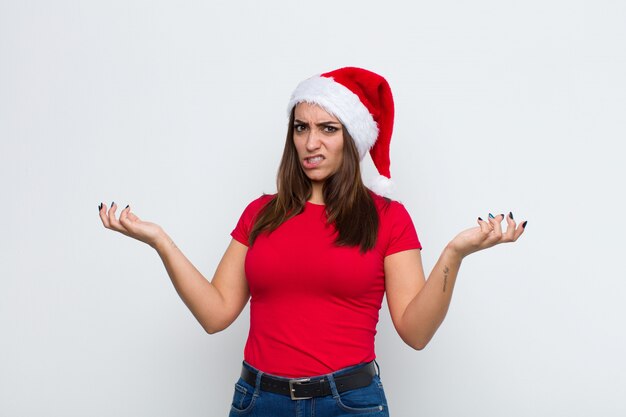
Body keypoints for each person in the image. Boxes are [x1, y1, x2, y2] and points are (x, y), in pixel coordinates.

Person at [98, 67, 527, 416]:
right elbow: (215, 314)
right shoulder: (260, 213)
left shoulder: (387, 219)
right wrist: (160, 242)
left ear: (352, 138)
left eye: (328, 129)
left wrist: (455, 253)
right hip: (259, 401)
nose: (310, 142)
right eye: (301, 128)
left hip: (349, 403)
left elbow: (415, 332)